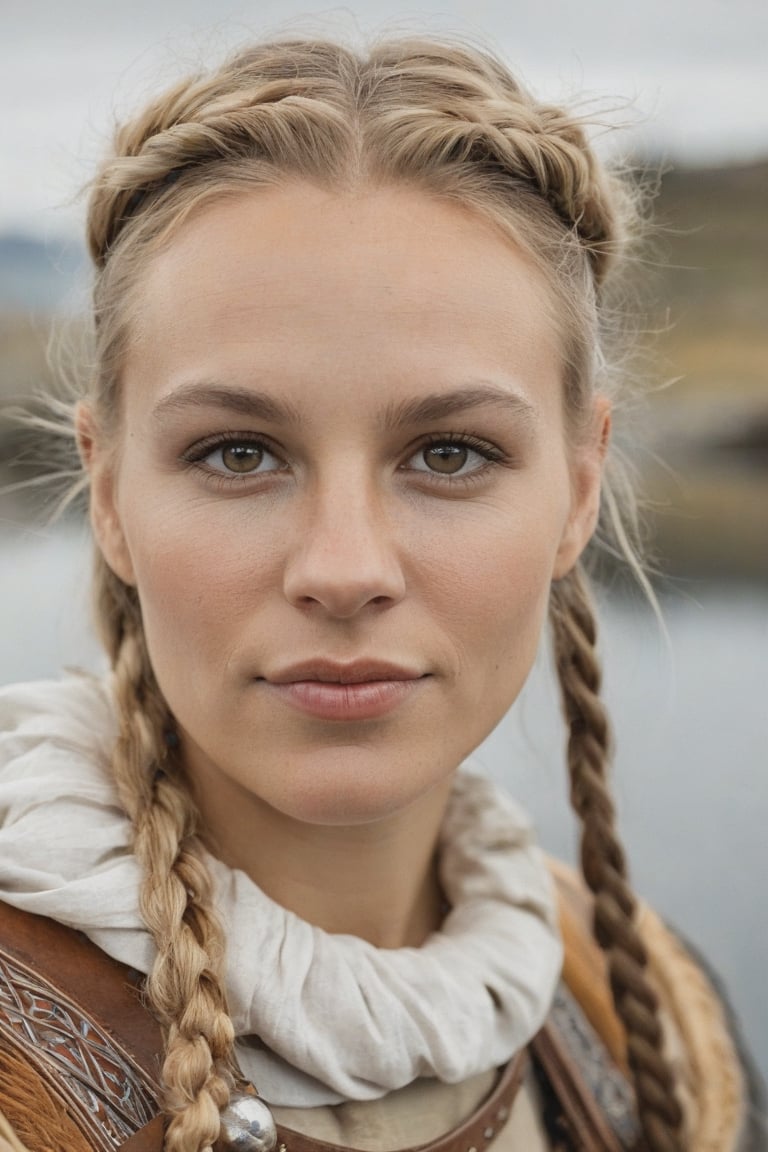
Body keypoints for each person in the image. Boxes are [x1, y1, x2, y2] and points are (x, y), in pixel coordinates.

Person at [0, 33, 758, 1152]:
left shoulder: (649, 1020)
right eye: (238, 453)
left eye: (449, 454)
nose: (345, 569)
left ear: (581, 485)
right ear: (109, 490)